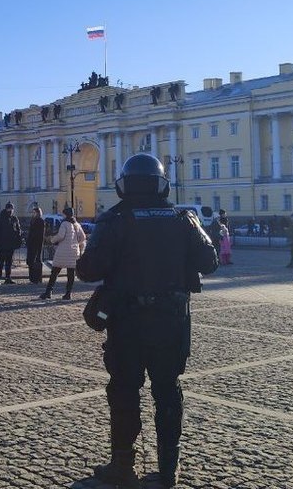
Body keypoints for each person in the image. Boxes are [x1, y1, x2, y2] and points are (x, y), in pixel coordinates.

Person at [77, 153, 217, 488]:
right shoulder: (184, 219)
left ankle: (123, 466)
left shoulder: (114, 220)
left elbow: (87, 270)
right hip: (171, 322)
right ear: (162, 183)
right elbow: (210, 261)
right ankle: (169, 468)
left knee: (124, 392)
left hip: (127, 324)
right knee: (168, 392)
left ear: (124, 184)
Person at [40, 211, 87, 300]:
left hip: (63, 252)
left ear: (66, 215)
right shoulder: (76, 224)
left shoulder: (64, 224)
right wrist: (77, 244)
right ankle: (68, 294)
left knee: (54, 272)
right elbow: (83, 237)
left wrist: (52, 240)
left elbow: (61, 236)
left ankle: (48, 292)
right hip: (74, 252)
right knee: (71, 274)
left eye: (63, 214)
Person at [0, 202, 22, 285]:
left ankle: (8, 277)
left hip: (11, 244)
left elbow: (18, 230)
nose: (11, 210)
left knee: (9, 262)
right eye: (9, 208)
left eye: (12, 209)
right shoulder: (0, 218)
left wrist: (18, 239)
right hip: (2, 244)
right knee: (1, 261)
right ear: (6, 209)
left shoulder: (14, 218)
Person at [26, 206, 46, 284]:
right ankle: (32, 278)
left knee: (37, 261)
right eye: (33, 212)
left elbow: (40, 235)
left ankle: (37, 278)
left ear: (38, 213)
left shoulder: (40, 221)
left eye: (34, 212)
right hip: (31, 244)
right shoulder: (32, 221)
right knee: (30, 261)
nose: (33, 214)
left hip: (37, 244)